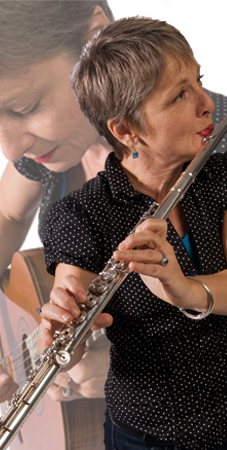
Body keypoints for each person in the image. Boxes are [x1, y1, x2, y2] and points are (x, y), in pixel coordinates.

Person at [40, 16, 227, 450]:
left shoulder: (218, 178)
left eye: (199, 81)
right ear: (126, 131)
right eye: (181, 94)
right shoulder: (82, 216)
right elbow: (74, 335)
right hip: (149, 435)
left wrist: (187, 290)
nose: (207, 104)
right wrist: (67, 335)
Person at [0, 0, 113, 414]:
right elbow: (7, 212)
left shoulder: (211, 155)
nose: (10, 148)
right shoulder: (58, 150)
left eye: (24, 108)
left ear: (95, 40)